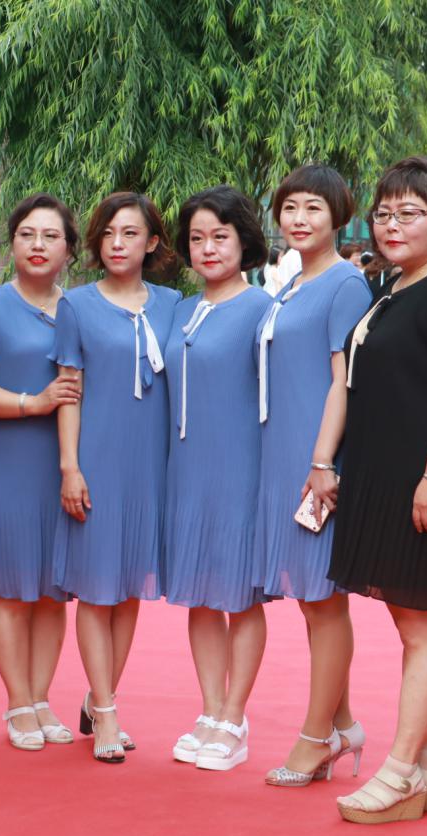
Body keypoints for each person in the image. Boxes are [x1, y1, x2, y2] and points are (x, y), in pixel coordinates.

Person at [328, 156, 427, 824]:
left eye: (409, 213)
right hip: (382, 476)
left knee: (424, 629)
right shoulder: (393, 284)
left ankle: (397, 772)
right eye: (383, 212)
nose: (391, 224)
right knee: (411, 624)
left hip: (420, 480)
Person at [51, 192, 180, 763]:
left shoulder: (174, 304)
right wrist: (70, 466)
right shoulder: (76, 306)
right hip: (97, 462)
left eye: (130, 233)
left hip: (153, 465)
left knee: (129, 589)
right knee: (97, 590)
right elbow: (69, 392)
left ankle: (100, 696)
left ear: (152, 243)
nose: (118, 243)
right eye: (108, 234)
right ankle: (105, 712)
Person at [254, 164, 372, 789]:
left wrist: (323, 461)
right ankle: (344, 724)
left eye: (313, 208)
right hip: (285, 459)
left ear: (338, 217)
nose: (299, 219)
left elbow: (342, 381)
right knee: (310, 601)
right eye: (290, 207)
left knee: (324, 603)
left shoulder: (345, 283)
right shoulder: (296, 281)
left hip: (315, 462)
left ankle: (315, 737)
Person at [0, 193, 81, 751]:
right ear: (12, 244)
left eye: (50, 236)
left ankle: (42, 697)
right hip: (9, 461)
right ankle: (17, 701)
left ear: (69, 249)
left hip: (66, 465)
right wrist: (35, 402)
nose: (38, 245)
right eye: (27, 234)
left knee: (52, 590)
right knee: (11, 589)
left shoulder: (79, 309)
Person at [162, 186, 272, 772]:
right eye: (197, 238)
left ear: (244, 240)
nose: (208, 248)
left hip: (240, 469)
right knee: (202, 595)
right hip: (185, 471)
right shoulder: (179, 309)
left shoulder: (263, 310)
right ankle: (209, 710)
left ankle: (235, 717)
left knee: (239, 596)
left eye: (220, 236)